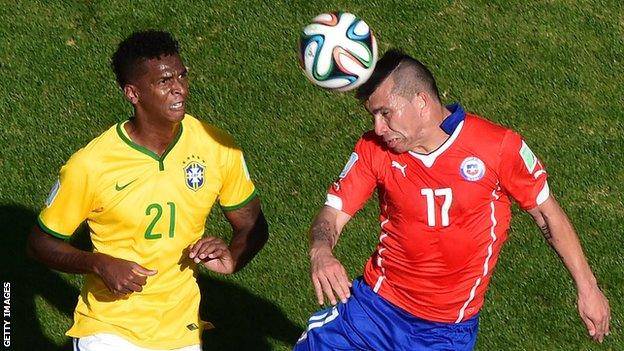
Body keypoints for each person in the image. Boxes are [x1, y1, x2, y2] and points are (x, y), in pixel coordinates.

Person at [294, 50, 610, 350]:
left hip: (444, 332)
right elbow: (332, 214)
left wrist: (588, 287)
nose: (378, 127)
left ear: (420, 101)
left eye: (385, 113)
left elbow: (547, 214)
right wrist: (321, 250)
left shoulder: (497, 147)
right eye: (374, 116)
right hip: (373, 310)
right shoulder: (374, 149)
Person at [26, 30, 269, 351]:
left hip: (180, 329)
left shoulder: (216, 146)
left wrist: (231, 256)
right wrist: (99, 263)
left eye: (182, 76)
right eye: (164, 82)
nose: (179, 88)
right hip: (110, 327)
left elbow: (253, 225)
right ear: (133, 93)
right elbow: (40, 243)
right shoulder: (92, 164)